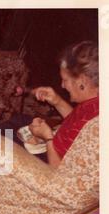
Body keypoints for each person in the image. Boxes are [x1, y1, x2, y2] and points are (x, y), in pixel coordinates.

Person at [28, 40, 99, 168]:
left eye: (65, 80)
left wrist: (47, 137)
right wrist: (58, 101)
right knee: (13, 123)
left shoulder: (97, 121)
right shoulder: (94, 103)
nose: (62, 85)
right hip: (52, 150)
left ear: (82, 81)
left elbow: (60, 173)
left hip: (50, 165)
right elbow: (77, 124)